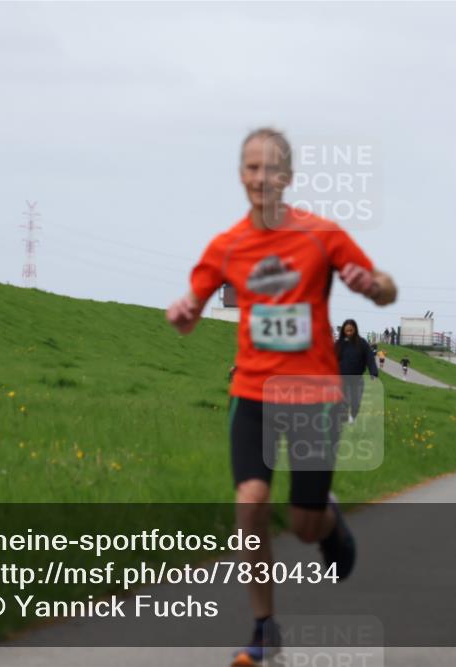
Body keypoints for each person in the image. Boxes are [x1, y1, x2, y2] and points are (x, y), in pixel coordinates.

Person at [165, 127, 397, 667]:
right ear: (241, 175)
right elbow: (192, 304)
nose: (259, 178)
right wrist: (182, 313)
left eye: (270, 169)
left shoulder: (322, 235)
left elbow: (386, 287)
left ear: (287, 178)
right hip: (253, 393)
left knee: (302, 524)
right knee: (249, 501)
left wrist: (373, 285)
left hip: (312, 396)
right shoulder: (227, 245)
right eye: (250, 167)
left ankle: (329, 523)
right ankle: (264, 627)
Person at [335, 319, 379, 424]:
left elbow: (370, 357)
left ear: (355, 330)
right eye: (347, 331)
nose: (349, 333)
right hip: (342, 378)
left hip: (357, 378)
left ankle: (353, 417)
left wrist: (373, 372)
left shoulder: (362, 343)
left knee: (356, 401)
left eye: (351, 330)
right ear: (343, 331)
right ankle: (343, 420)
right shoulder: (339, 344)